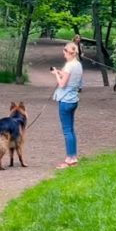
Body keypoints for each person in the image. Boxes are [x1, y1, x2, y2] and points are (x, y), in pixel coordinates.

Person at [51, 41, 83, 169]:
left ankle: (69, 159)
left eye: (64, 52)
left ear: (68, 52)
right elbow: (74, 81)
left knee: (67, 131)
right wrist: (60, 73)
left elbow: (62, 84)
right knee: (71, 130)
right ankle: (73, 157)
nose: (63, 55)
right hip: (74, 100)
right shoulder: (78, 64)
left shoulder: (69, 65)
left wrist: (56, 75)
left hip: (65, 101)